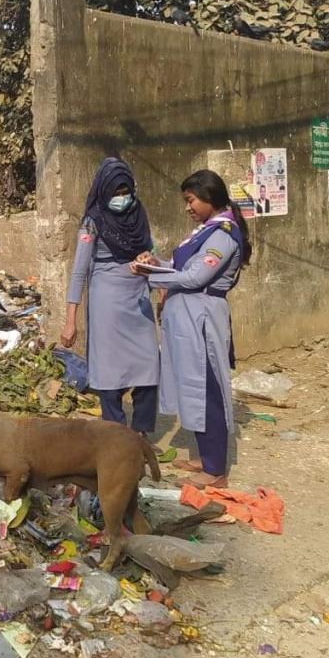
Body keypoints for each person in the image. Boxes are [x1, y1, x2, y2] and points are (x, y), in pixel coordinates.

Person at [130, 169, 252, 488]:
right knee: (192, 384)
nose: (187, 207)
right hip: (186, 316)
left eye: (191, 200)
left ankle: (215, 471)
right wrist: (154, 263)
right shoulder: (203, 231)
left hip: (202, 317)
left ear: (209, 197)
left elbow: (196, 277)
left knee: (207, 386)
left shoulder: (223, 234)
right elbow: (180, 268)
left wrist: (149, 275)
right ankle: (204, 457)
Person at [61, 157, 159, 436]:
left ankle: (140, 434)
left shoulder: (138, 214)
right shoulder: (93, 222)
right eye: (115, 193)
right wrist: (71, 321)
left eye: (125, 191)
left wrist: (151, 264)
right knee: (109, 372)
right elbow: (79, 272)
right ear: (103, 192)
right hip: (107, 301)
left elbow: (151, 252)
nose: (121, 198)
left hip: (138, 298)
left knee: (149, 367)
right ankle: (116, 436)